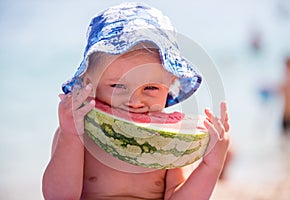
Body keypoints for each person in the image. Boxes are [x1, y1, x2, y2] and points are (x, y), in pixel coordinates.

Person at [42, 2, 230, 199]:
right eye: (117, 86)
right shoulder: (77, 132)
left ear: (170, 85)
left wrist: (212, 165)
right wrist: (70, 135)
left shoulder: (171, 140)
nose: (135, 101)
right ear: (89, 83)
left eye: (150, 88)